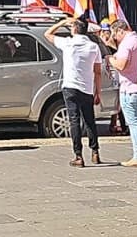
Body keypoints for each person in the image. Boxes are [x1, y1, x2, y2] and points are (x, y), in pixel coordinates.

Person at [44, 17, 103, 167]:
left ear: (75, 29)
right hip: (87, 87)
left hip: (70, 86)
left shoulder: (68, 43)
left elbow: (48, 34)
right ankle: (95, 151)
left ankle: (78, 155)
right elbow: (97, 72)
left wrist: (62, 22)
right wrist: (98, 91)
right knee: (89, 120)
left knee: (74, 120)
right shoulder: (93, 47)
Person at [108, 20, 137, 167]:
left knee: (134, 123)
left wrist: (111, 59)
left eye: (115, 34)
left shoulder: (126, 43)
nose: (115, 38)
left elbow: (122, 65)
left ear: (120, 30)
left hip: (130, 89)